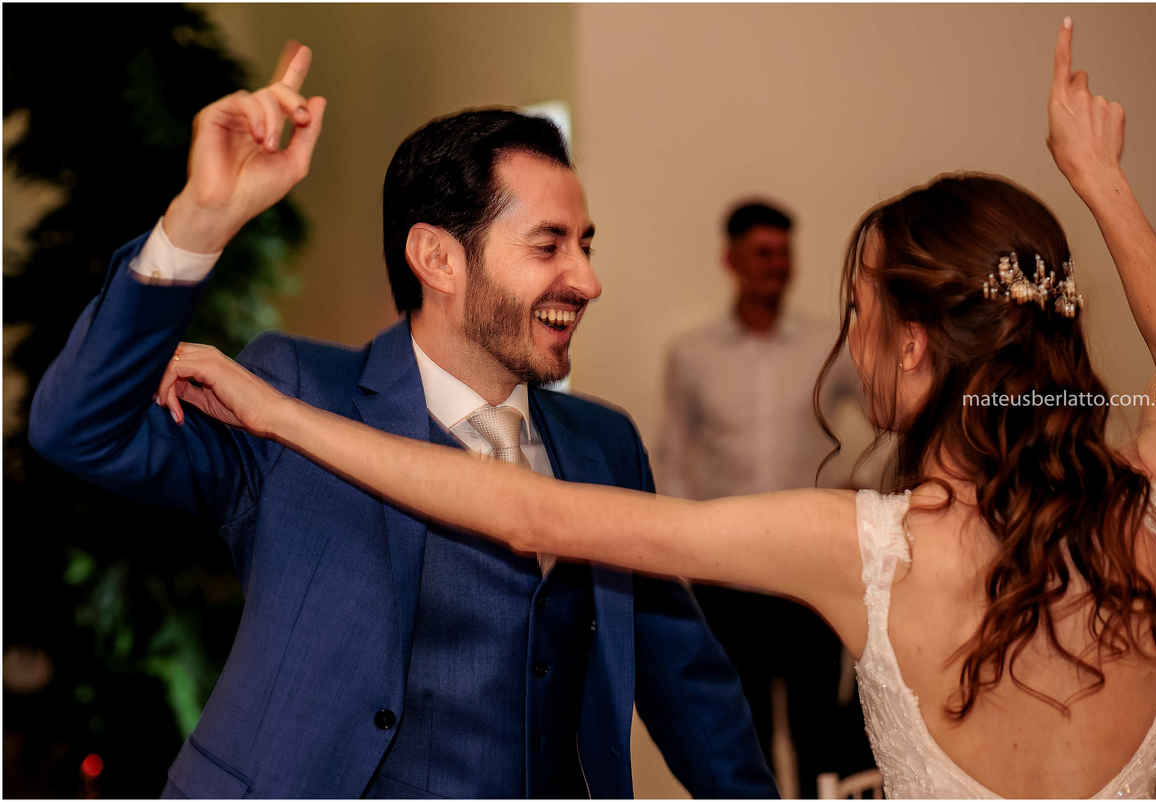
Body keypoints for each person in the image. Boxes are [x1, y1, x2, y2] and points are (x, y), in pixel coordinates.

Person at [151, 20, 1156, 797]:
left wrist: (283, 416)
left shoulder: (862, 545)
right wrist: (1100, 180)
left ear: (916, 346)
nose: (851, 338)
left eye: (860, 311)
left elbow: (529, 513)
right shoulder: (1146, 516)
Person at [28, 42, 777, 798]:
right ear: (437, 259)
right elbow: (77, 427)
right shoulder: (291, 393)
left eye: (583, 246)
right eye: (548, 245)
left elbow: (686, 680)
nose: (586, 279)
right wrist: (201, 219)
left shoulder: (604, 443)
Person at [657, 200, 869, 795]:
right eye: (763, 253)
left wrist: (865, 492)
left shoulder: (830, 346)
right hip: (727, 579)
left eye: (783, 253)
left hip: (811, 574)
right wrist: (685, 559)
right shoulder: (692, 355)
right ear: (732, 260)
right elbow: (673, 459)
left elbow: (890, 421)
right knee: (737, 731)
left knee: (818, 730)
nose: (776, 265)